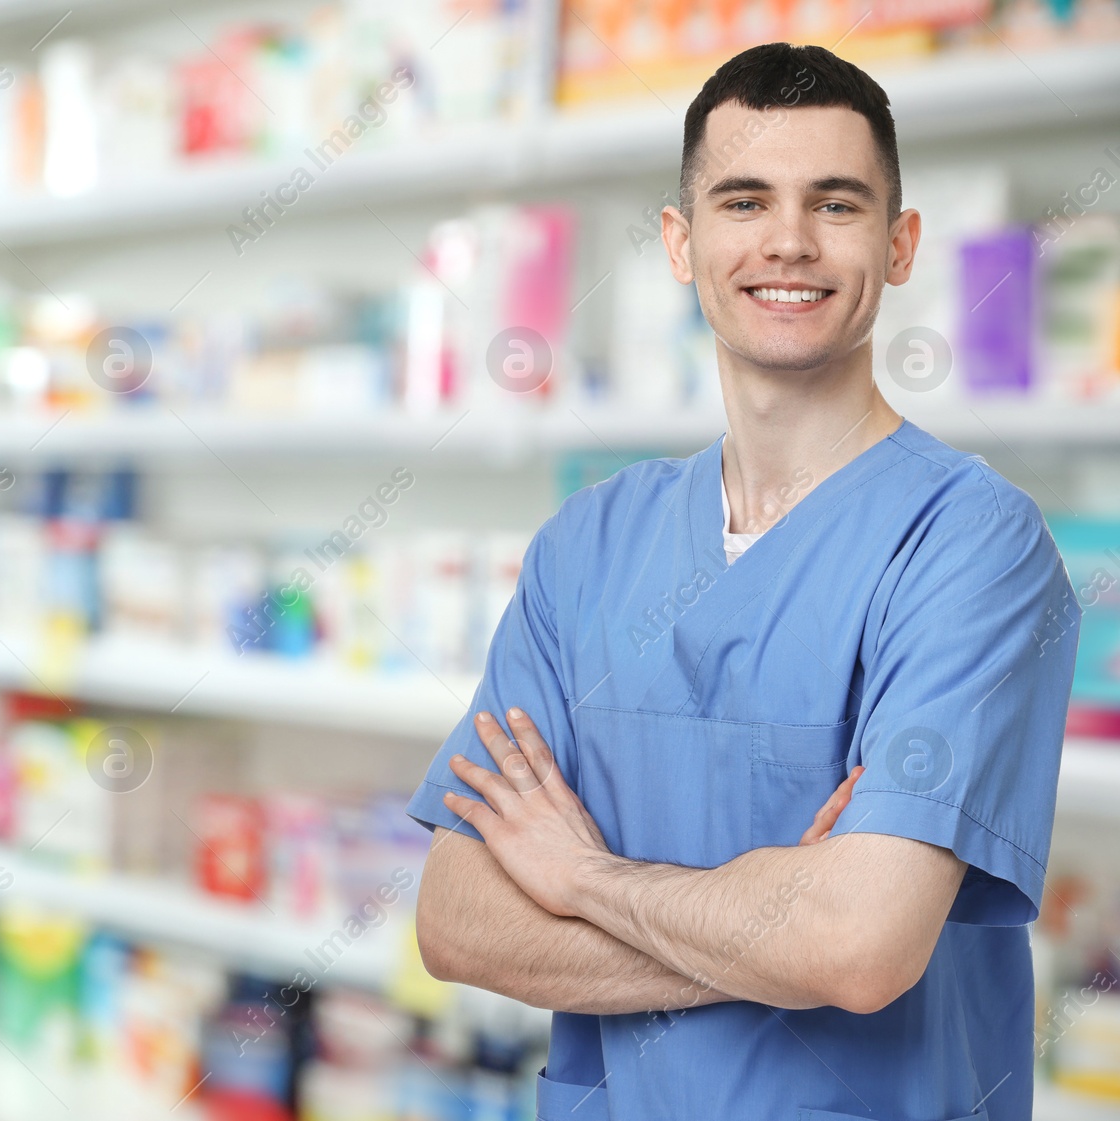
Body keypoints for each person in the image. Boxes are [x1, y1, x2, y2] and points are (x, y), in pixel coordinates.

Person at [406, 41, 1082, 1121]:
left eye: (836, 203)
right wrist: (778, 927)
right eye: (743, 199)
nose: (787, 241)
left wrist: (584, 881)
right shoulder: (586, 545)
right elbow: (455, 920)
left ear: (899, 244)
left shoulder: (972, 546)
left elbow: (859, 948)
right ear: (681, 243)